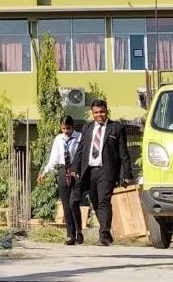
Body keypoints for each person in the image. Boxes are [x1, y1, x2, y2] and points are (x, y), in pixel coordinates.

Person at [72, 98, 134, 246]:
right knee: (95, 202)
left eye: (102, 112)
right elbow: (81, 149)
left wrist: (127, 174)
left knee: (104, 202)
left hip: (107, 171)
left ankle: (104, 235)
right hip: (90, 171)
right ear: (92, 113)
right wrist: (75, 168)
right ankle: (106, 231)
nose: (99, 115)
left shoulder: (116, 127)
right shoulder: (87, 127)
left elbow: (123, 152)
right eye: (96, 112)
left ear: (107, 111)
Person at [38, 116, 83, 245]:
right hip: (63, 170)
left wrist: (79, 170)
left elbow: (82, 155)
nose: (66, 131)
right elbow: (54, 158)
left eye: (68, 128)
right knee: (66, 204)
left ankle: (79, 231)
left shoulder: (80, 137)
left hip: (76, 171)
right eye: (63, 128)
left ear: (72, 127)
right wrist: (45, 172)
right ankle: (70, 235)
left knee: (74, 203)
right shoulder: (59, 139)